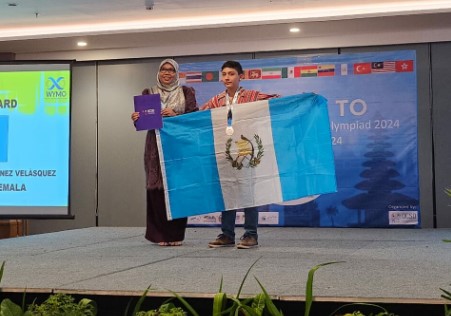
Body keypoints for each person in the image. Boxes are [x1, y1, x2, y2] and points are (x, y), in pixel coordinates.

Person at [201, 60, 279, 249]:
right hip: (224, 152)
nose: (227, 77)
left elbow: (277, 101)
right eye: (224, 74)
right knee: (227, 192)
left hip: (246, 150)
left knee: (248, 193)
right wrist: (169, 119)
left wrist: (304, 100)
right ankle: (227, 234)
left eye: (231, 74)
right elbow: (197, 117)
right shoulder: (216, 101)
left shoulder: (252, 96)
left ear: (240, 76)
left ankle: (251, 234)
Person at [131, 59, 198, 247]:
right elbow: (142, 122)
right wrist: (136, 118)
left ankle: (176, 234)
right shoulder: (148, 93)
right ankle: (160, 234)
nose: (167, 73)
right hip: (155, 147)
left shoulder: (186, 92)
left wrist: (176, 115)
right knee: (157, 191)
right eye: (163, 70)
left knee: (178, 191)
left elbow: (194, 118)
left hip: (179, 146)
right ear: (158, 73)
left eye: (171, 70)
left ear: (177, 74)